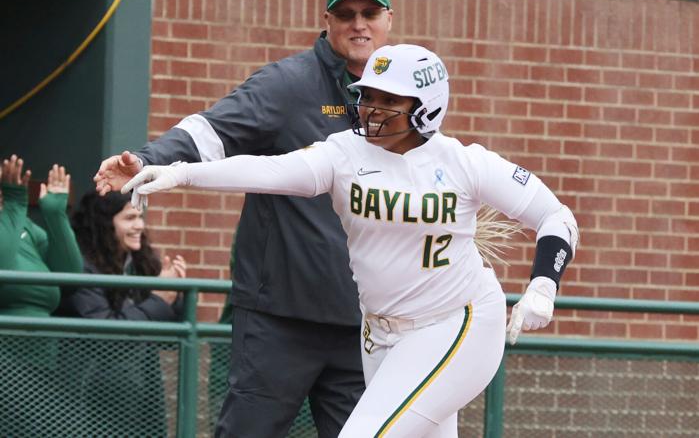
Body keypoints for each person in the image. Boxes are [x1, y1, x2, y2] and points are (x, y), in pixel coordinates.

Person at [121, 44, 580, 437]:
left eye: (389, 99)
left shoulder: (464, 163)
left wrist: (543, 286)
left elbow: (555, 216)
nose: (371, 109)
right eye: (367, 97)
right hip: (377, 332)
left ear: (427, 106)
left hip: (455, 324)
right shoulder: (345, 151)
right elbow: (269, 169)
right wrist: (182, 172)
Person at [94, 0, 393, 437]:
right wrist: (149, 159)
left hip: (361, 321)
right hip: (279, 317)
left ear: (387, 19)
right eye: (346, 13)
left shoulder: (401, 95)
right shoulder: (288, 83)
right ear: (327, 21)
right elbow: (211, 132)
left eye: (369, 13)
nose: (359, 24)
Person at [56, 190, 186, 436]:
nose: (139, 225)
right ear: (105, 224)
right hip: (90, 397)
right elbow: (106, 335)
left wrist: (176, 296)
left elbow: (171, 341)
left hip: (141, 395)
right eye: (129, 218)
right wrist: (160, 298)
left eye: (140, 217)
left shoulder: (142, 264)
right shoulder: (83, 268)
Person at [0, 155, 83, 436]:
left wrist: (55, 215)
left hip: (40, 360)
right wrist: (13, 204)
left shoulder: (23, 225)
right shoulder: (13, 214)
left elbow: (70, 274)